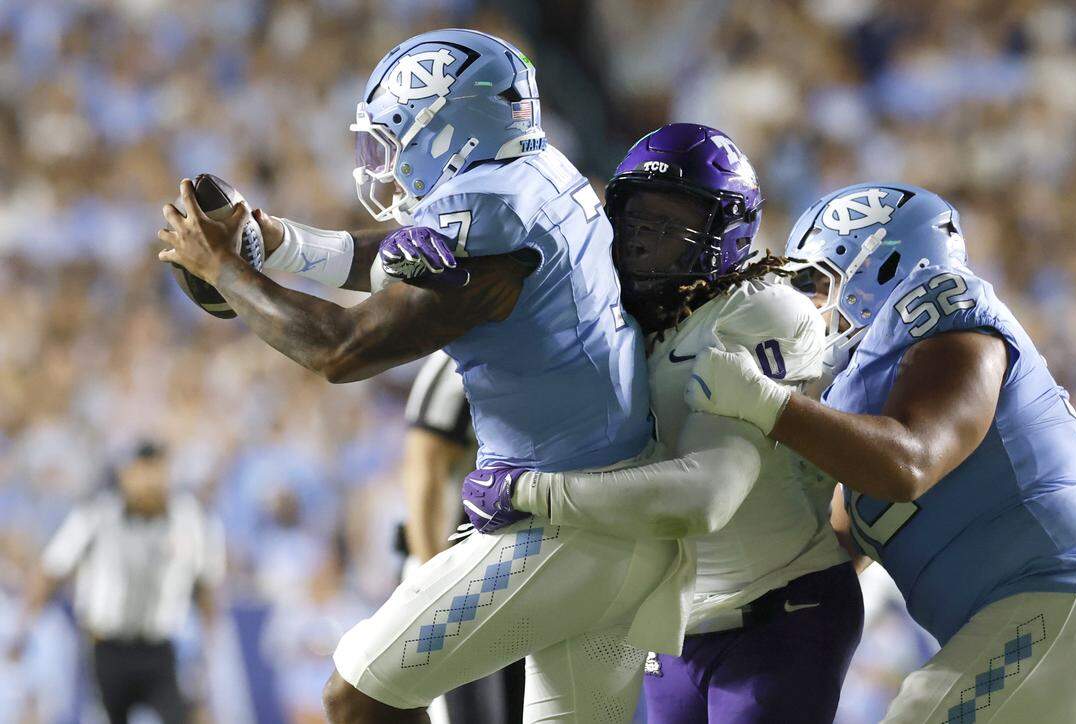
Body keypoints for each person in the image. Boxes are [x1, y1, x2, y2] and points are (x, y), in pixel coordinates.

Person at [157, 28, 684, 724]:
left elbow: (342, 349)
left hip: (568, 523)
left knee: (357, 694)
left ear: (449, 128)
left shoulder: (491, 210)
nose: (388, 163)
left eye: (395, 138)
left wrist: (225, 270)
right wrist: (279, 244)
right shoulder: (536, 173)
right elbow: (414, 256)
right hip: (622, 507)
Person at [686, 183, 1076, 722]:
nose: (804, 305)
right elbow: (818, 559)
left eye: (813, 282)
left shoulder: (950, 313)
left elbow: (910, 461)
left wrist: (764, 403)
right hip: (1068, 629)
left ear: (879, 268)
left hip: (1066, 607)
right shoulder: (859, 402)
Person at [460, 124, 863, 723]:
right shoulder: (613, 312)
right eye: (637, 217)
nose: (645, 237)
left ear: (727, 233)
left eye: (673, 223)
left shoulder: (758, 311)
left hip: (779, 609)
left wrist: (529, 492)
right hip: (674, 622)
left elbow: (706, 495)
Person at [9, 441, 224, 724]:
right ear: (126, 475)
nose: (149, 485)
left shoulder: (188, 518)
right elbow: (51, 568)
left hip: (160, 646)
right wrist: (25, 624)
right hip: (107, 647)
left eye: (157, 474)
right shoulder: (98, 514)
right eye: (142, 474)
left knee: (187, 715)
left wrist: (211, 642)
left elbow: (205, 584)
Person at [399, 351, 524, 724]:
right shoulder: (456, 359)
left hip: (529, 565)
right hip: (463, 571)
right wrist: (433, 578)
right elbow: (424, 466)